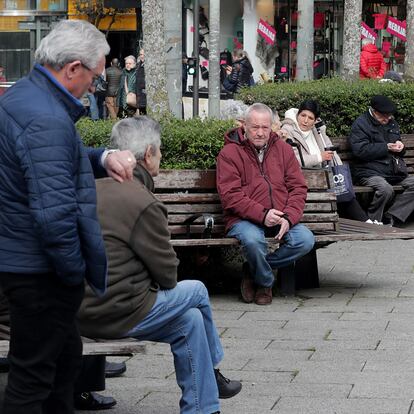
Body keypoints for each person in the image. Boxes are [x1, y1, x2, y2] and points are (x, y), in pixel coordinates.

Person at [0, 19, 137, 414]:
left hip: (26, 262)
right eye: (94, 76)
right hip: (39, 271)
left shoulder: (26, 97)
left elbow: (52, 160)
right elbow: (54, 214)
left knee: (62, 366)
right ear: (72, 68)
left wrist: (101, 157)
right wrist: (73, 272)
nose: (94, 86)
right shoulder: (45, 117)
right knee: (34, 381)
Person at [77, 116, 242, 414]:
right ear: (149, 153)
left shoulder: (88, 187)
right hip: (118, 313)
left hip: (79, 307)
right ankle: (215, 369)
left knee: (190, 321)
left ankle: (203, 408)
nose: (162, 156)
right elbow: (168, 275)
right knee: (197, 291)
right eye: (161, 150)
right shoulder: (142, 201)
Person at [216, 103, 315, 305]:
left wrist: (288, 217)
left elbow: (298, 188)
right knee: (253, 240)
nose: (260, 133)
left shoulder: (284, 150)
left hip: (280, 217)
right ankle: (265, 282)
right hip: (243, 219)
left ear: (273, 127)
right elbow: (231, 196)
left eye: (265, 127)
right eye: (255, 127)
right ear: (244, 126)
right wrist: (263, 215)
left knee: (305, 240)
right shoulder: (229, 153)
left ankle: (253, 270)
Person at [281, 99, 372, 223]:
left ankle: (365, 222)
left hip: (321, 176)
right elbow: (293, 160)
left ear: (315, 120)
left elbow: (331, 152)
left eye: (310, 118)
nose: (305, 121)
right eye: (303, 116)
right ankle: (364, 222)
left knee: (342, 188)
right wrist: (320, 157)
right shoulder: (287, 131)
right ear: (297, 115)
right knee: (334, 189)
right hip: (301, 177)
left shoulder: (317, 131)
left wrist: (340, 172)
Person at [348, 95, 414, 226]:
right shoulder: (361, 124)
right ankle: (373, 221)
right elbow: (359, 151)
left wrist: (401, 147)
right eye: (384, 116)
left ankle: (392, 216)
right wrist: (386, 147)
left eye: (389, 115)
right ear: (374, 111)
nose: (388, 118)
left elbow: (399, 146)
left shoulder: (392, 123)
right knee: (385, 189)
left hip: (394, 171)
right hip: (369, 172)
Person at [135, 48, 147, 115]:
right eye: (140, 54)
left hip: (144, 93)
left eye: (143, 54)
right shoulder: (138, 65)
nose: (141, 56)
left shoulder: (148, 65)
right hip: (139, 94)